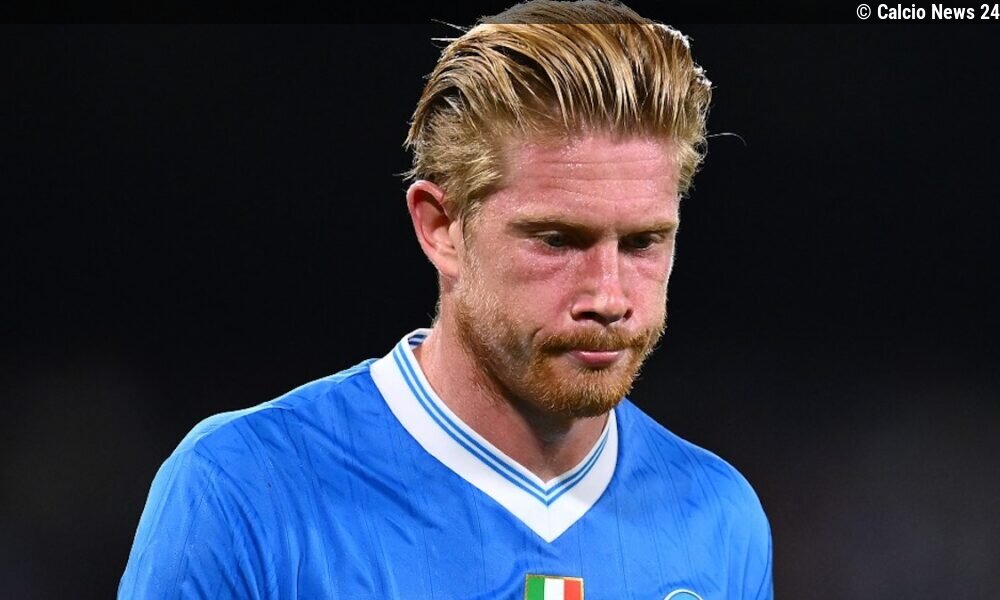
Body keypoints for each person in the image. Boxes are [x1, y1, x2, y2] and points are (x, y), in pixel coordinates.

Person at [120, 2, 773, 598]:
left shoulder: (720, 519)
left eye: (642, 243)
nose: (608, 295)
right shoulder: (242, 489)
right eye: (557, 240)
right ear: (441, 228)